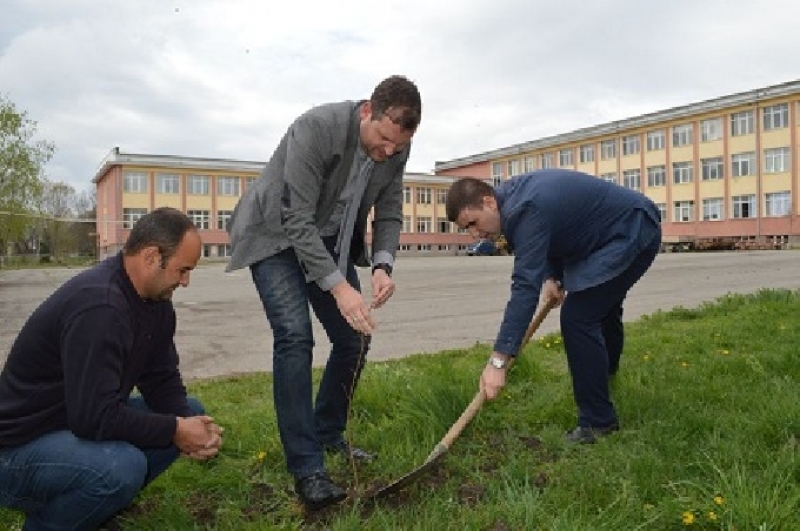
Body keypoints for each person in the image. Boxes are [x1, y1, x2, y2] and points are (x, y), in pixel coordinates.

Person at [226, 75, 422, 510]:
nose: (388, 151)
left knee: (355, 338)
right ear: (368, 110)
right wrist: (338, 287)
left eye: (398, 146)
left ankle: (328, 433)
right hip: (275, 237)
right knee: (295, 337)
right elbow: (295, 217)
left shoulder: (397, 147)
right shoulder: (316, 128)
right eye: (384, 139)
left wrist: (384, 265)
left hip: (328, 243)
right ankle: (307, 467)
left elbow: (389, 211)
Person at [0, 207, 224, 530]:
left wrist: (189, 428)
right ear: (151, 257)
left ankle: (88, 508)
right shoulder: (101, 306)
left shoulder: (155, 303)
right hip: (17, 449)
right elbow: (94, 417)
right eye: (182, 270)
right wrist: (175, 430)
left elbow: (161, 378)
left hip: (69, 427)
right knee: (123, 467)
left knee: (189, 411)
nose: (186, 282)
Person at [446, 169, 661, 444]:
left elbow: (524, 287)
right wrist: (552, 275)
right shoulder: (512, 203)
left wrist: (498, 361)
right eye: (467, 230)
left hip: (631, 230)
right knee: (599, 307)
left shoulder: (523, 209)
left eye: (474, 223)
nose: (475, 234)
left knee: (579, 317)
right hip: (606, 235)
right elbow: (555, 230)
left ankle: (597, 422)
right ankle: (604, 377)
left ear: (488, 202)